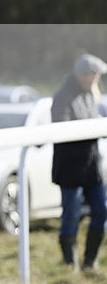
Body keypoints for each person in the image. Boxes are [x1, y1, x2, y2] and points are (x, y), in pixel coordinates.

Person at [51, 53, 107, 270]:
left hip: (92, 165)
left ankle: (89, 262)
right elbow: (61, 129)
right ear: (84, 75)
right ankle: (69, 263)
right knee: (71, 214)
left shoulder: (89, 94)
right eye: (95, 75)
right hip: (71, 167)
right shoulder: (63, 96)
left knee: (101, 211)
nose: (97, 79)